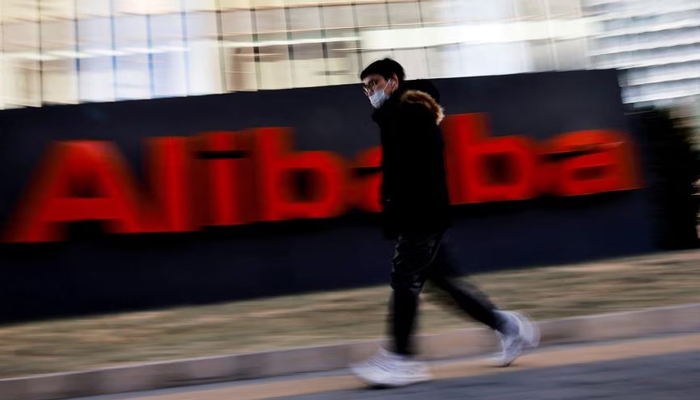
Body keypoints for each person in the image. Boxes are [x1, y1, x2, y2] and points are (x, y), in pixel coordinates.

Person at [351, 58, 539, 387]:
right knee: (444, 284)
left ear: (393, 82)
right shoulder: (397, 116)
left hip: (421, 216)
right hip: (421, 215)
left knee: (405, 280)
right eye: (366, 86)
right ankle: (508, 327)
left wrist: (408, 212)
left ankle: (401, 358)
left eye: (375, 83)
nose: (370, 91)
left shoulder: (408, 116)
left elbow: (419, 172)